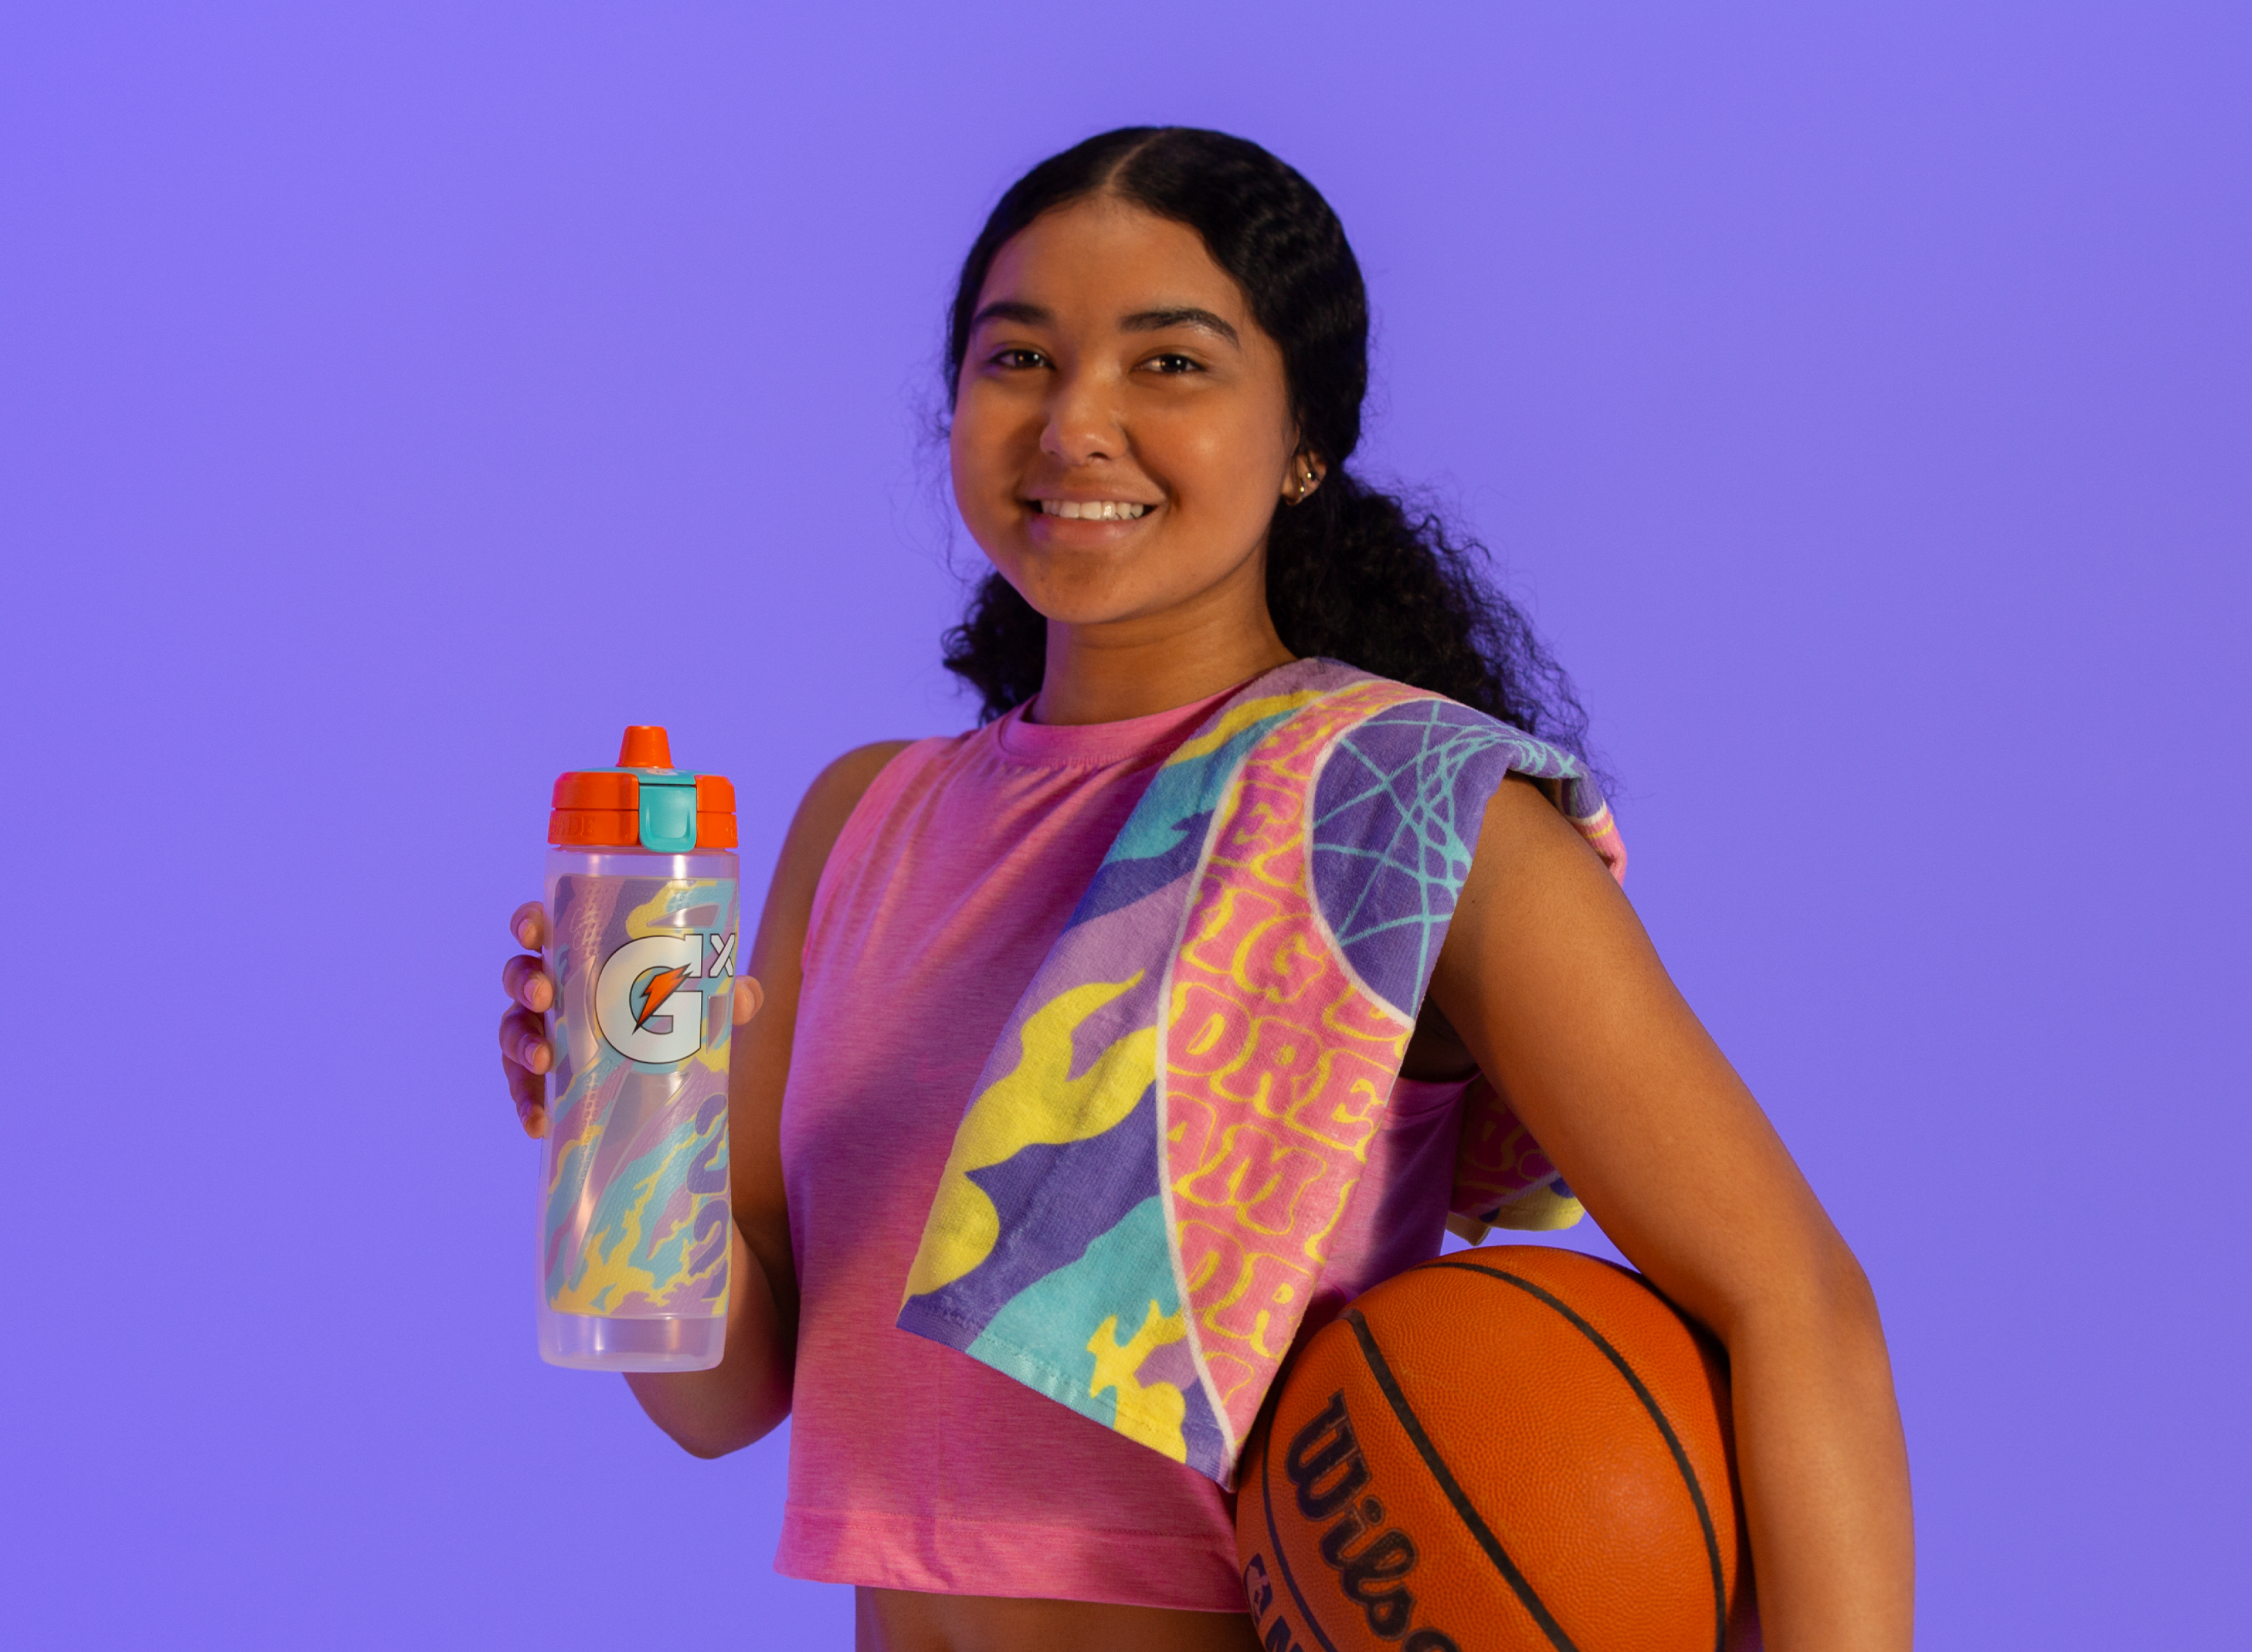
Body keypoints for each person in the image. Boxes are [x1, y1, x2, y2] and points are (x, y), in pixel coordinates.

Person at [497, 128, 1913, 1652]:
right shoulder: (861, 820)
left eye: (1169, 364)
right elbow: (723, 1400)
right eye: (1019, 358)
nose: (1075, 424)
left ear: (1305, 439)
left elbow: (1800, 1306)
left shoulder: (1406, 811)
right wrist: (629, 1130)